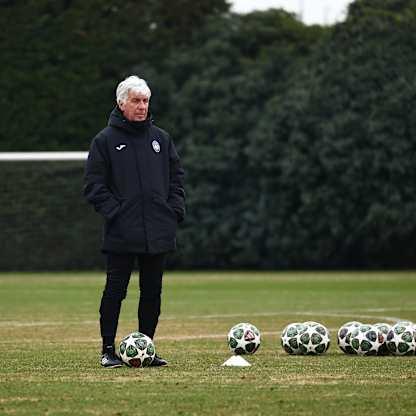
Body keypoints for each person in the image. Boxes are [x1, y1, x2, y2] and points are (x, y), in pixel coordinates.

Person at [84, 75, 185, 368]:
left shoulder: (161, 139)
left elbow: (177, 179)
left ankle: (146, 347)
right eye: (136, 101)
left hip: (158, 229)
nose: (142, 107)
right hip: (121, 232)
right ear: (121, 103)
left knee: (152, 291)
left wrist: (173, 210)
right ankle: (107, 350)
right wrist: (117, 213)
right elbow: (93, 186)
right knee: (115, 290)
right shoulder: (104, 140)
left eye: (145, 101)